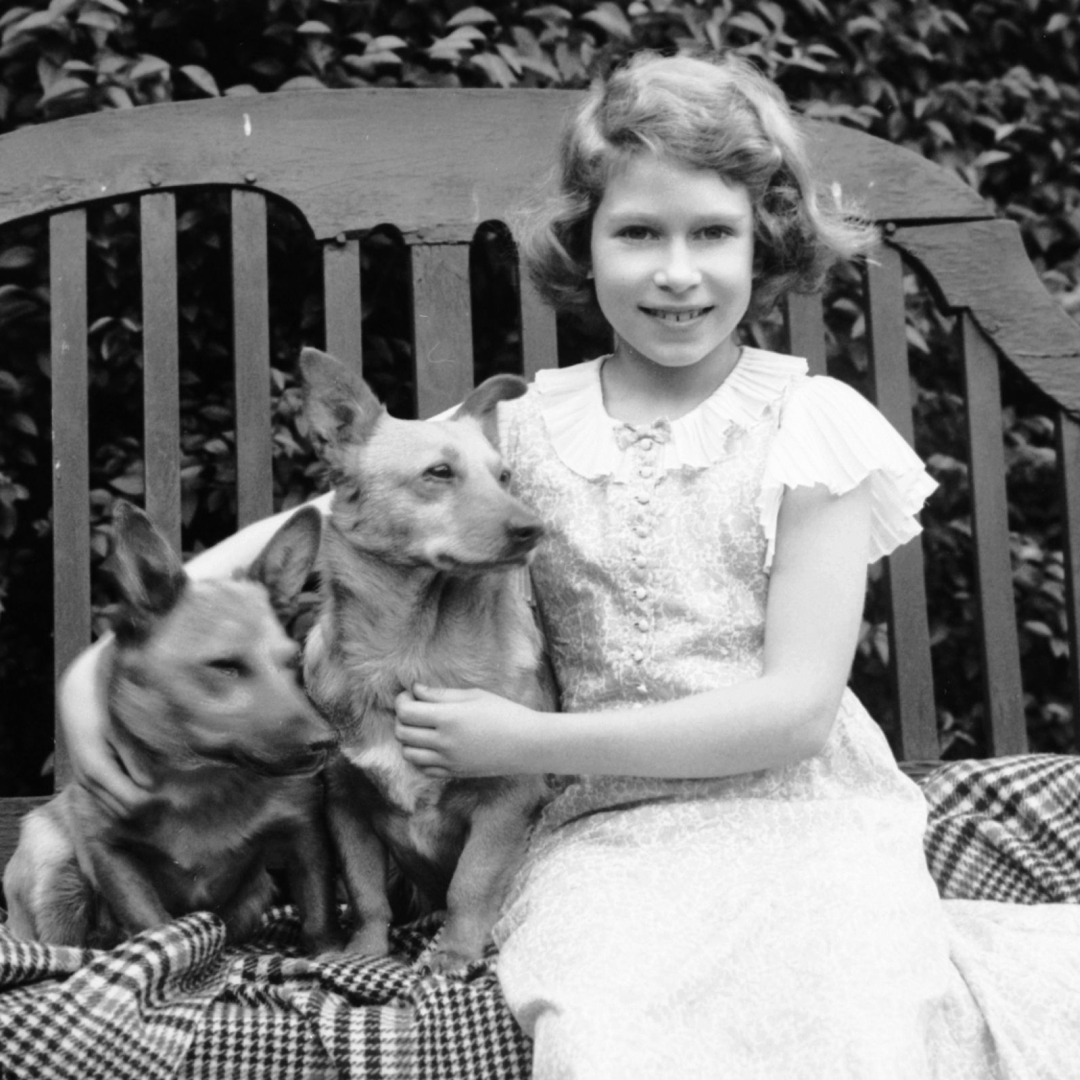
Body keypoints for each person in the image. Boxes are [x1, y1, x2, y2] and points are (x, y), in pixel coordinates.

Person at [60, 50, 1080, 1080]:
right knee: (603, 1006)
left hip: (800, 814)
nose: (676, 271)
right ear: (583, 244)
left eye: (713, 233)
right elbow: (340, 512)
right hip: (599, 828)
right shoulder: (526, 434)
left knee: (852, 997)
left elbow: (798, 713)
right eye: (638, 231)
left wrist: (530, 734)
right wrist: (91, 671)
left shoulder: (808, 426)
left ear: (765, 245)